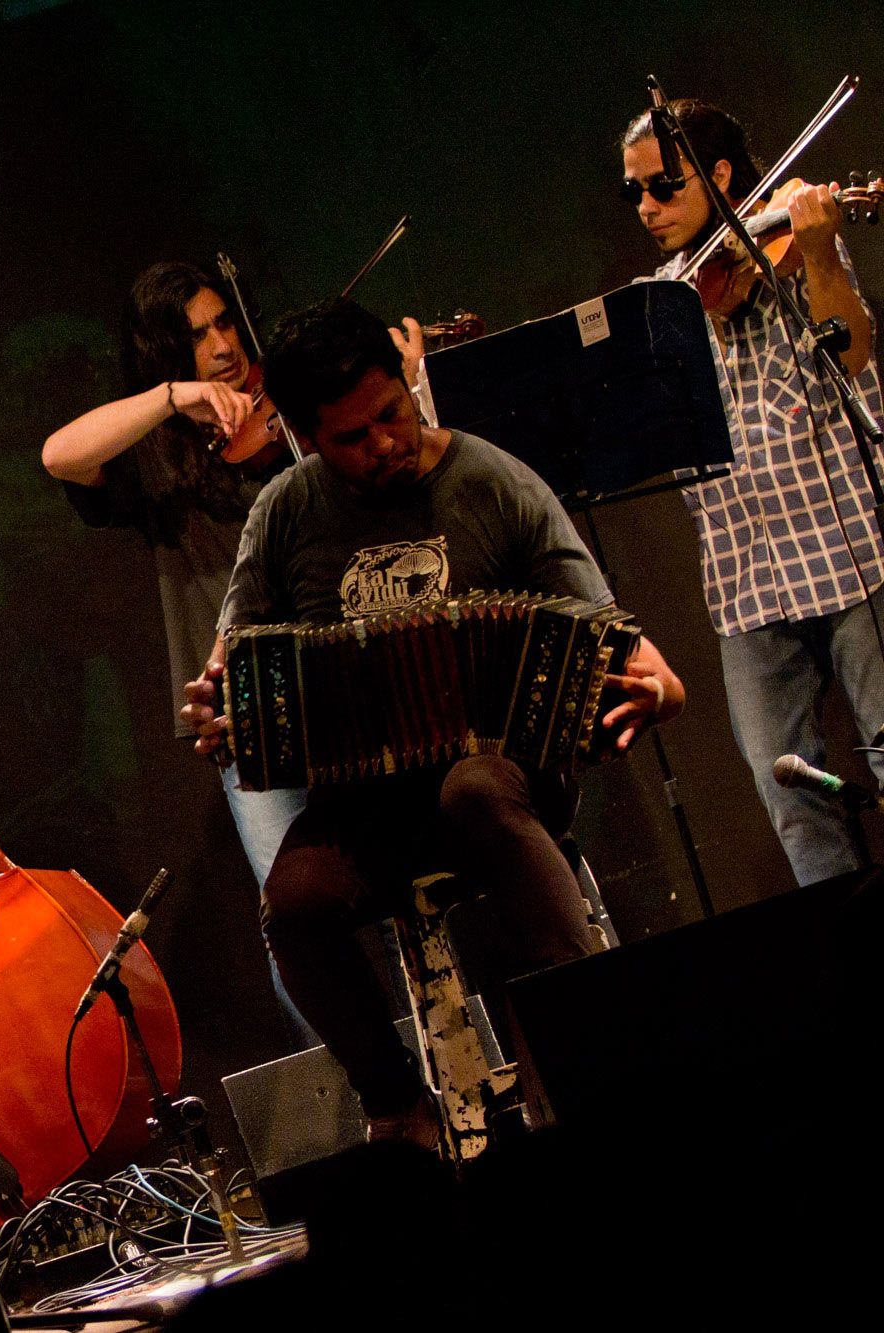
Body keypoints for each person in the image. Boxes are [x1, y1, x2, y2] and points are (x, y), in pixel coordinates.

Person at [181, 299, 686, 1144]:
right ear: (307, 438)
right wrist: (221, 712)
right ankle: (397, 1107)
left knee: (473, 791)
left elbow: (618, 640)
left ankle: (579, 1052)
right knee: (295, 902)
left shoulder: (496, 482)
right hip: (364, 804)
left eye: (393, 413)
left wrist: (657, 686)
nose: (383, 442)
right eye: (353, 436)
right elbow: (235, 670)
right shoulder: (284, 515)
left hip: (506, 776)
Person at [42, 261, 425, 1046]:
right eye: (197, 334)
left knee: (404, 886)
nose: (222, 344)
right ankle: (377, 1079)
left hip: (349, 674)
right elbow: (59, 454)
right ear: (161, 352)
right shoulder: (155, 460)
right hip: (251, 706)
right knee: (297, 921)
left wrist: (408, 385)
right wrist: (175, 400)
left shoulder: (291, 417)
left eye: (225, 323)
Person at [621, 98, 884, 887]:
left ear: (720, 176)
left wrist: (821, 251)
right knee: (792, 796)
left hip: (852, 556)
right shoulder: (664, 297)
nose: (646, 207)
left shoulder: (795, 252)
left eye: (662, 187)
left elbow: (856, 357)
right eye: (634, 192)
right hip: (746, 587)